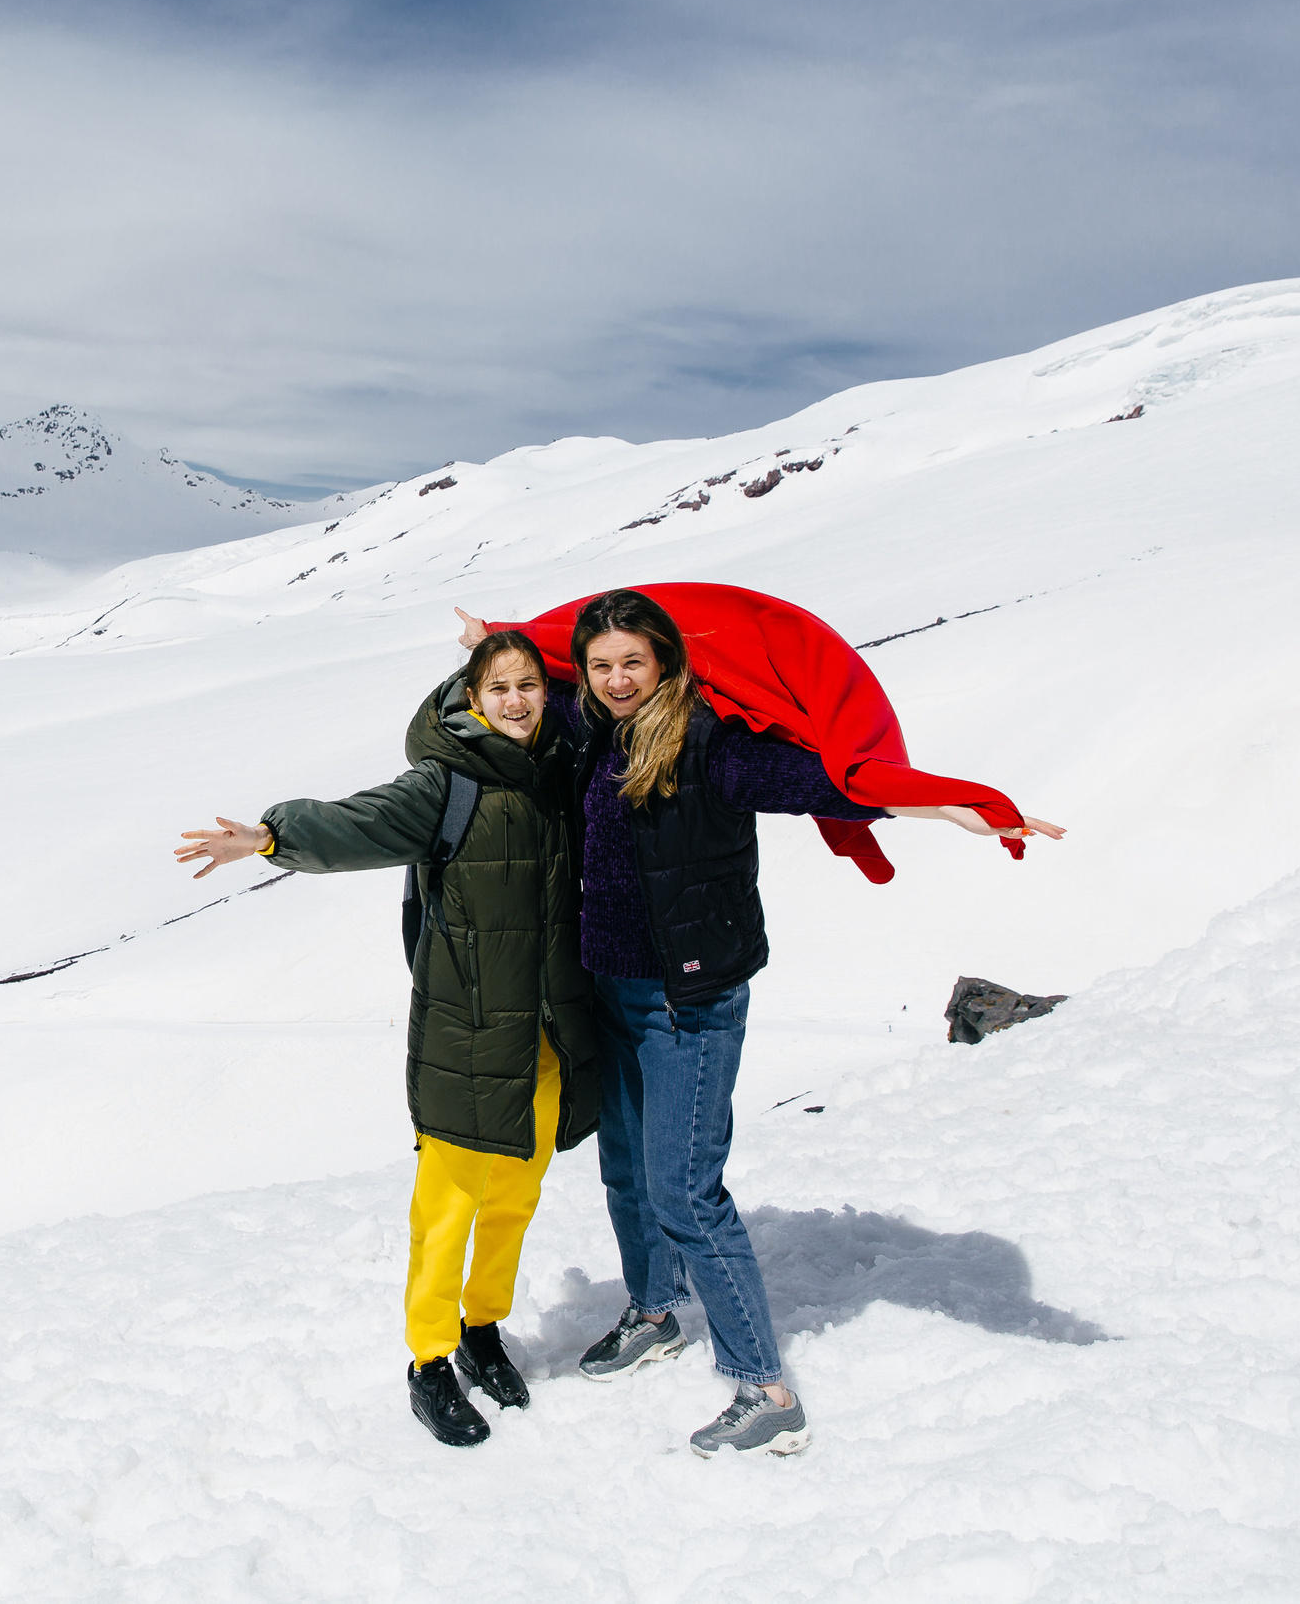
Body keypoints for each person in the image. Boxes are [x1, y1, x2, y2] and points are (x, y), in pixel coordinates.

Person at [455, 589, 1063, 1458]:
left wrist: (947, 803)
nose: (620, 678)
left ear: (666, 659)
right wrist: (491, 646)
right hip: (614, 986)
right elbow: (505, 700)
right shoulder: (589, 734)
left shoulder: (712, 744)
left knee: (687, 1191)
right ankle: (655, 1309)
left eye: (634, 660)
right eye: (601, 664)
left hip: (690, 1001)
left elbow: (824, 781)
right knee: (626, 1169)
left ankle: (764, 1388)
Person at [174, 631, 598, 1449]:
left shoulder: (558, 770)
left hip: (545, 1037)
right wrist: (269, 835)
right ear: (471, 697)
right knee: (446, 1211)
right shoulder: (447, 786)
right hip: (464, 1036)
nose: (515, 700)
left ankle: (483, 1329)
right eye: (498, 686)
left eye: (528, 685)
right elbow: (353, 823)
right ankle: (430, 1360)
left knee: (514, 1199)